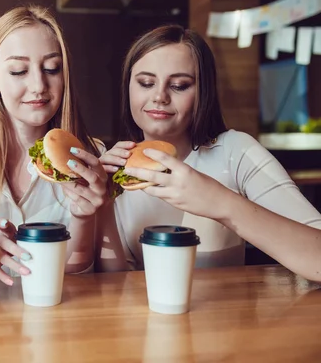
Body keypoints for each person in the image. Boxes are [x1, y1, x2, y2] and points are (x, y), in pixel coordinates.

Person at [98, 24, 321, 281]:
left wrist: (222, 203)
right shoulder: (118, 169)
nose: (159, 96)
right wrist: (102, 206)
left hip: (224, 318)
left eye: (179, 85)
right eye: (146, 83)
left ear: (203, 92)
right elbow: (116, 284)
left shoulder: (235, 151)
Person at [0, 6, 111, 285]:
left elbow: (83, 279)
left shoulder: (92, 157)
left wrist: (83, 219)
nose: (38, 85)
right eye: (19, 70)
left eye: (51, 68)